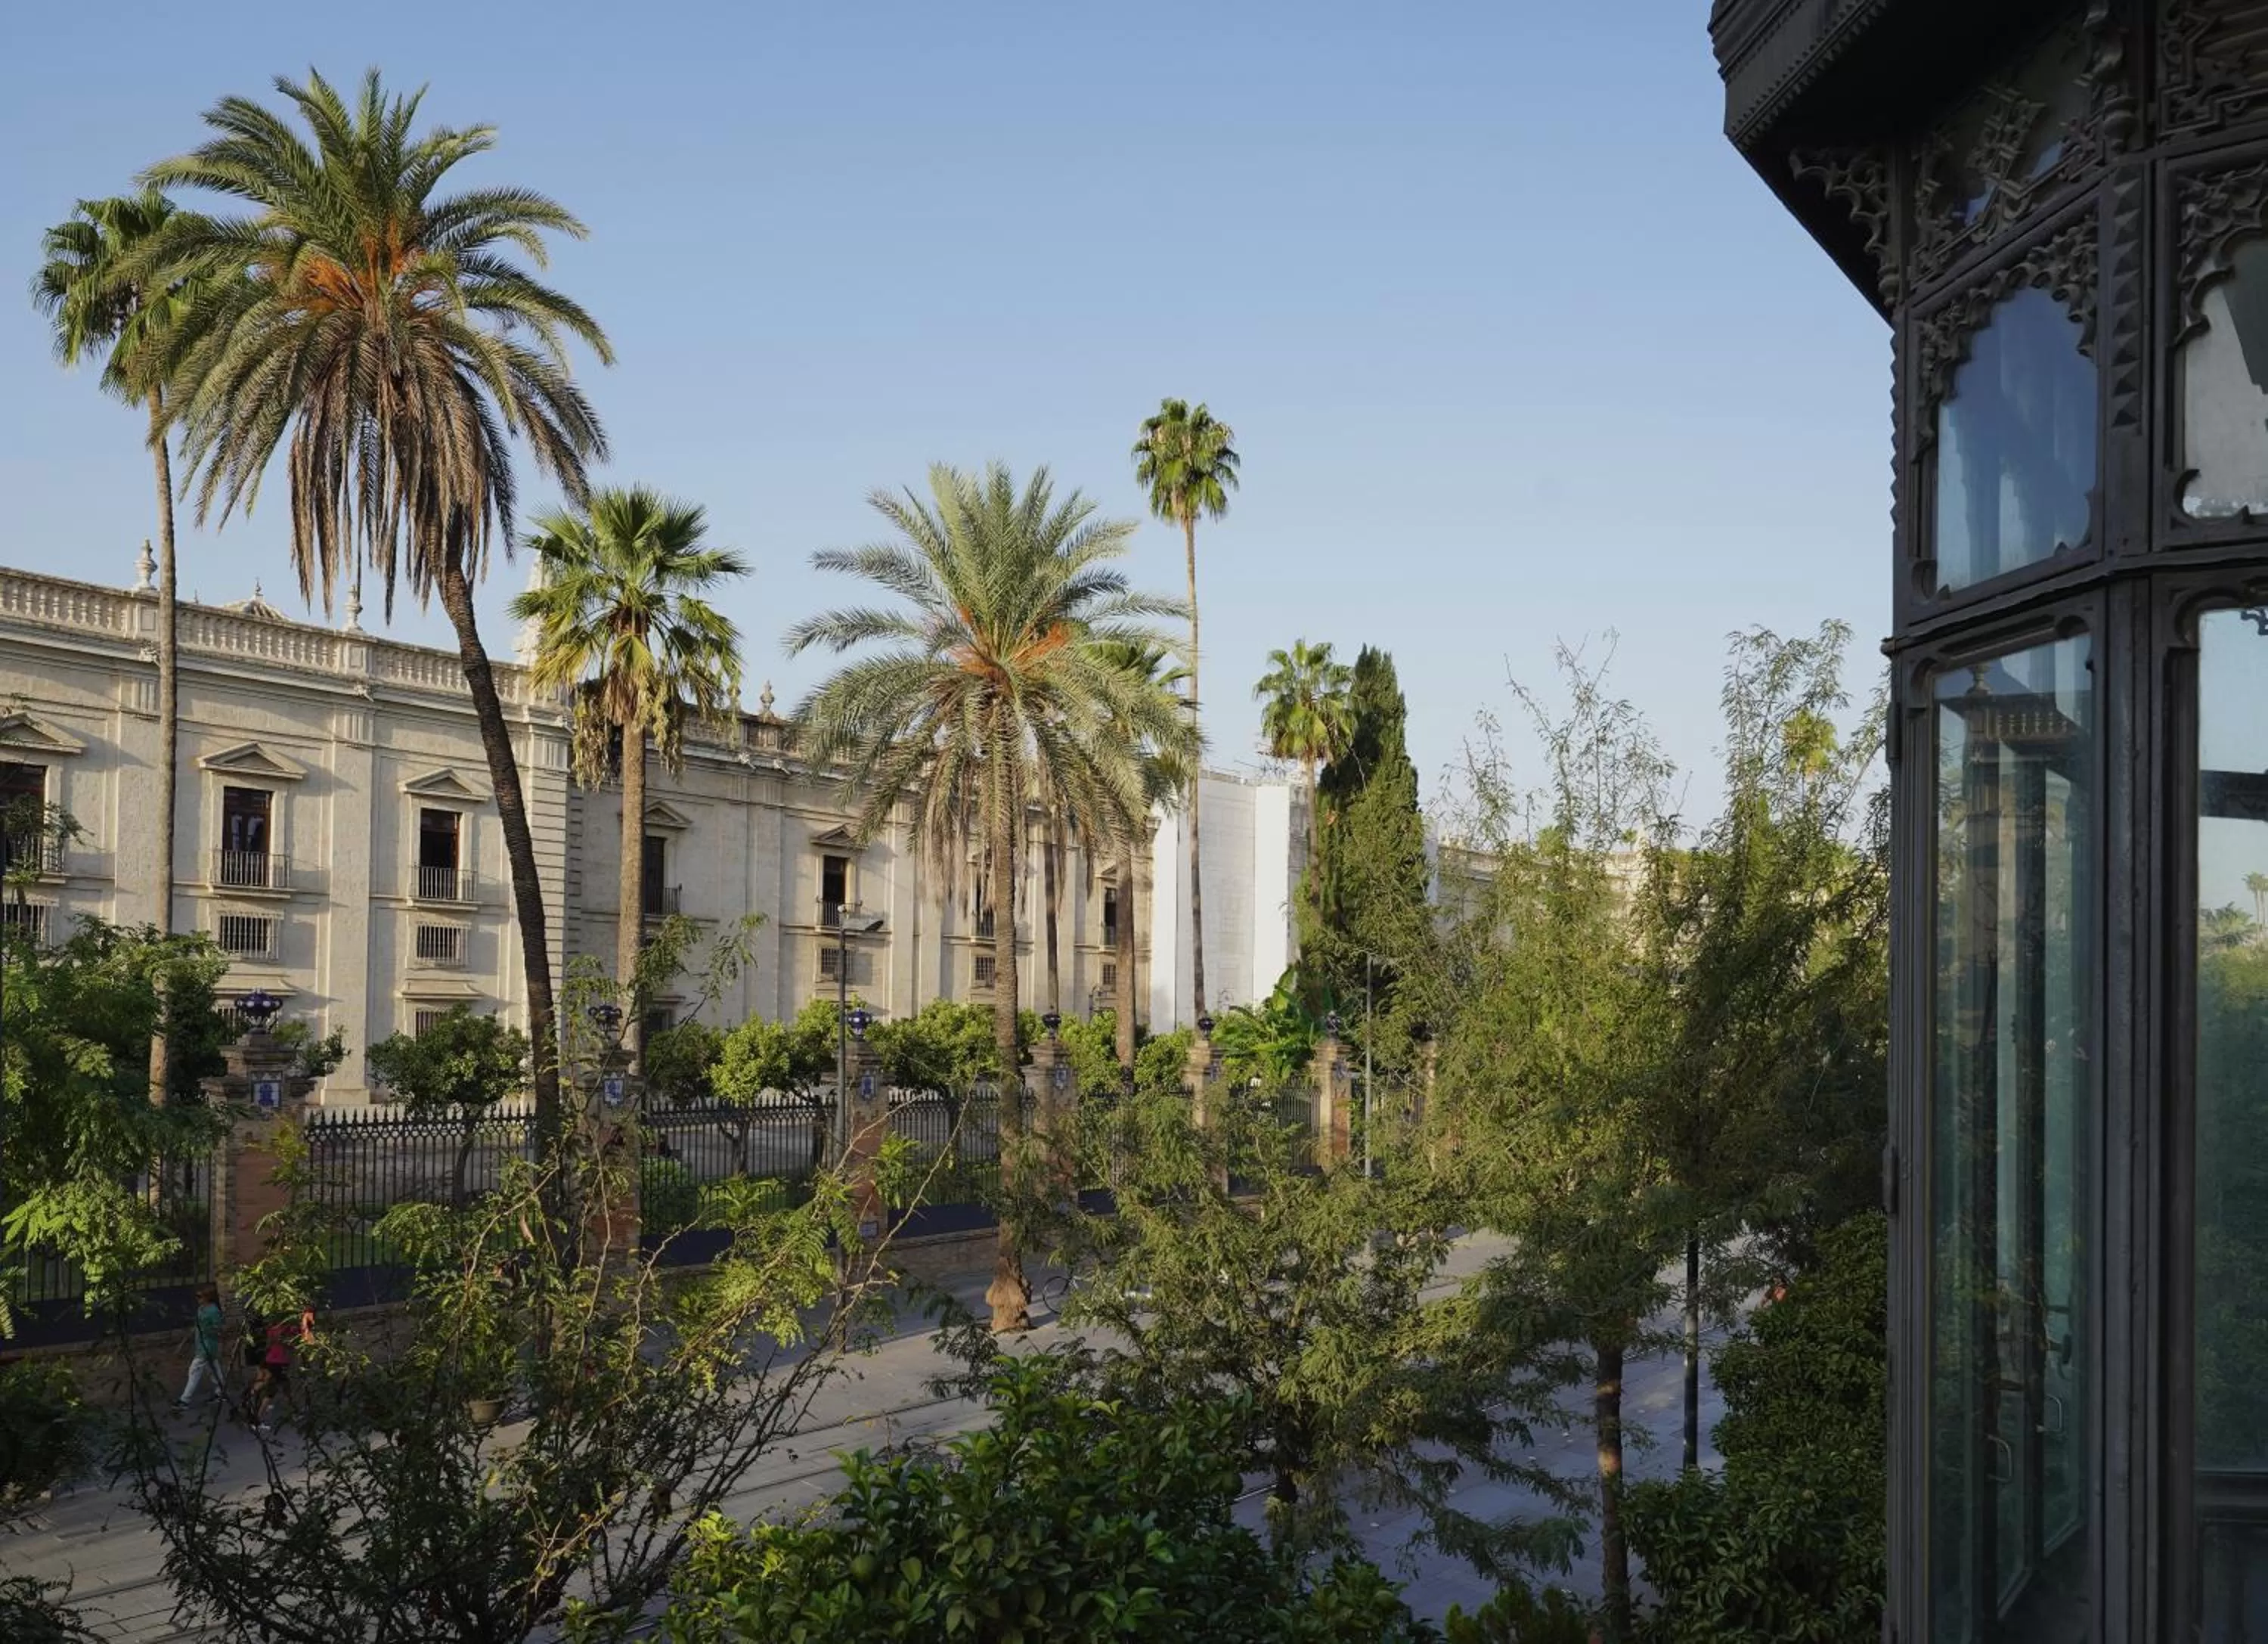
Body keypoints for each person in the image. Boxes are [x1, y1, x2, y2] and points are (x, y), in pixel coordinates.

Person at [248, 1306, 312, 1432]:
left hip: (272, 1360)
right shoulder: (285, 1329)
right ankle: (256, 1419)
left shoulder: (272, 1329)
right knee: (271, 1392)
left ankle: (294, 1411)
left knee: (286, 1388)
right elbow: (301, 1335)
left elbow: (270, 1344)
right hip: (279, 1363)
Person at [172, 1283, 227, 1413]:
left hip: (208, 1345)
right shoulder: (201, 1309)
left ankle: (185, 1400)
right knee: (213, 1369)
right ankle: (221, 1392)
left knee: (194, 1370)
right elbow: (196, 1327)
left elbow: (219, 1329)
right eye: (197, 1296)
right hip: (201, 1344)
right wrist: (183, 1343)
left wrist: (207, 1330)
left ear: (208, 1297)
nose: (198, 1299)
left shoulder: (213, 1311)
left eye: (200, 1296)